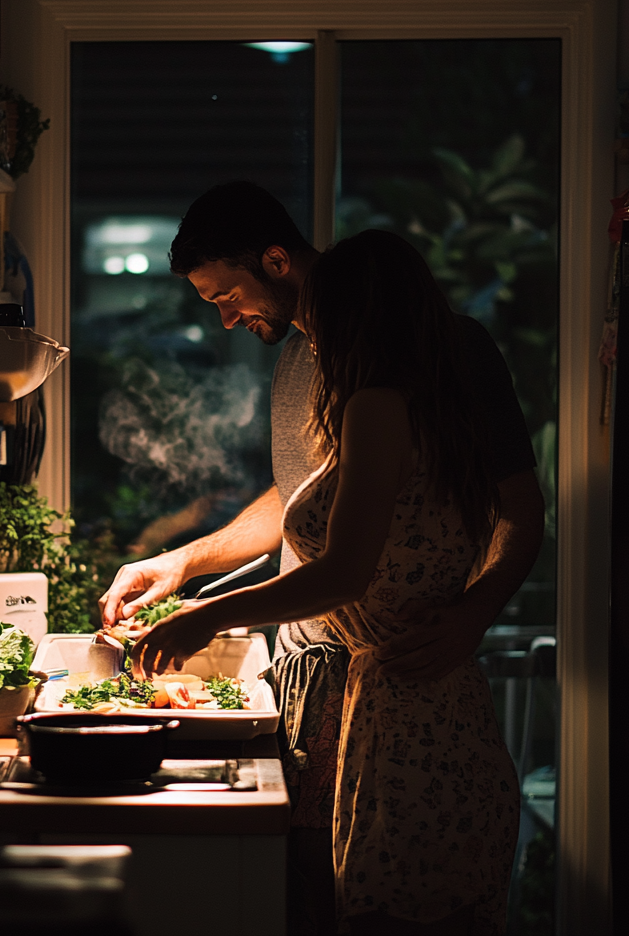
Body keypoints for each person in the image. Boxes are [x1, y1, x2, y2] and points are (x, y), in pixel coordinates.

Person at [100, 182, 543, 933]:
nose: (225, 317)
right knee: (322, 892)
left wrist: (477, 610)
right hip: (314, 677)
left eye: (226, 294)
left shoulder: (442, 352)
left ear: (277, 261)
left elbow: (519, 514)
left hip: (400, 670)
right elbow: (303, 501)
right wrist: (183, 563)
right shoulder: (307, 358)